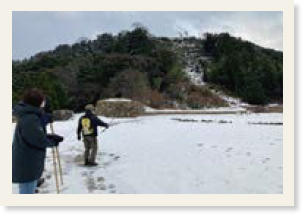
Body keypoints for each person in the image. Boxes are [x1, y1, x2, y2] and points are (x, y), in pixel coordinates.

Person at [12, 88, 64, 194]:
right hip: (27, 162)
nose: (44, 103)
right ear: (38, 102)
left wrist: (50, 136)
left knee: (29, 185)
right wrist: (52, 142)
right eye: (43, 100)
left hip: (28, 158)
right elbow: (38, 139)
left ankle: (34, 185)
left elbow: (33, 135)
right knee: (26, 191)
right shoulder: (30, 118)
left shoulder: (29, 114)